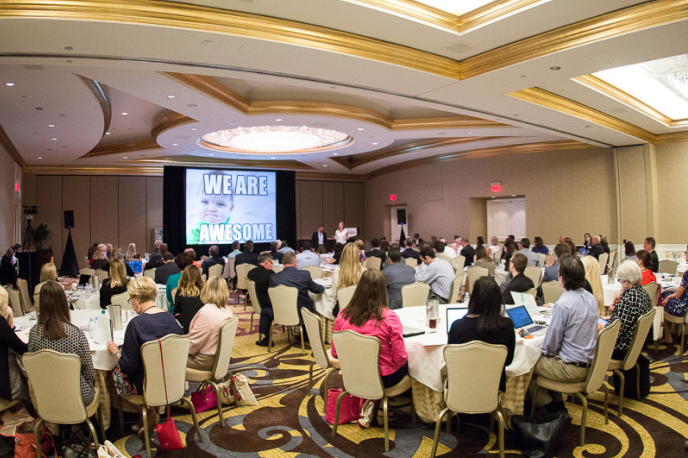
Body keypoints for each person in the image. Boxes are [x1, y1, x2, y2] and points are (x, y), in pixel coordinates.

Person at [528, 255, 598, 411]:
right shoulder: (590, 298)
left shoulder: (563, 304)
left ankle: (555, 409)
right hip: (590, 365)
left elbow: (550, 347)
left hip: (570, 369)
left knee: (527, 367)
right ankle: (556, 404)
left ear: (563, 279)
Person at [330, 269, 408, 389]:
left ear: (359, 288)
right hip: (383, 379)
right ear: (383, 291)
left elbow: (335, 353)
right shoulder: (390, 318)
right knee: (412, 365)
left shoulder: (342, 315)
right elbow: (399, 358)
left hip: (352, 374)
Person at [107, 277, 182, 397]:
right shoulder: (171, 319)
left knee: (116, 373)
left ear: (137, 298)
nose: (131, 302)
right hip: (172, 379)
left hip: (145, 384)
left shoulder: (136, 324)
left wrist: (116, 352)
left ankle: (139, 410)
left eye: (131, 299)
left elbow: (128, 366)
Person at [28, 281, 96, 405]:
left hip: (45, 395)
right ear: (63, 302)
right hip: (77, 397)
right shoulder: (75, 333)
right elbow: (89, 373)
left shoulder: (34, 333)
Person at [448, 277, 515, 392]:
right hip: (494, 387)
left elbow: (451, 362)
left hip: (461, 388)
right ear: (498, 300)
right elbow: (508, 361)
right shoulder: (506, 325)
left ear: (473, 298)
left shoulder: (457, 326)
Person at [604, 261, 652, 360]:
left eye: (620, 280)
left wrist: (602, 326)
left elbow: (614, 332)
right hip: (635, 345)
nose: (621, 283)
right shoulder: (643, 294)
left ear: (627, 281)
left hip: (622, 348)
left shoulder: (629, 300)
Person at [187, 277, 234, 371]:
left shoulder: (207, 312)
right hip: (219, 358)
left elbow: (193, 345)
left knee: (166, 357)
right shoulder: (227, 310)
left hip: (203, 360)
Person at [269, 252, 324, 316]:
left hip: (281, 312)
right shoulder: (304, 274)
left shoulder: (274, 278)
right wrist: (323, 288)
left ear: (283, 263)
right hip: (303, 313)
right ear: (295, 262)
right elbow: (316, 289)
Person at [187, 171, 235, 244]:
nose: (211, 209)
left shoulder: (234, 228)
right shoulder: (196, 229)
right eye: (205, 202)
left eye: (220, 204)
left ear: (231, 208)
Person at [0, 286, 28, 402]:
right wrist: (10, 320)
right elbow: (23, 349)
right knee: (24, 369)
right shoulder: (1, 325)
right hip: (4, 387)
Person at [660, 246, 688, 345]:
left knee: (662, 300)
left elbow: (678, 296)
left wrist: (667, 297)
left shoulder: (687, 273)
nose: (685, 255)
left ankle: (668, 335)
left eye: (686, 252)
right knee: (667, 295)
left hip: (683, 308)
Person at [248, 254, 275, 347]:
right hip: (267, 305)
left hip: (257, 303)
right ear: (267, 262)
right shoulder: (270, 274)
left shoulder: (250, 273)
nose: (271, 265)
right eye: (271, 263)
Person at [173, 265, 204, 333]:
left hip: (186, 327)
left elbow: (176, 311)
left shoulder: (180, 291)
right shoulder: (204, 291)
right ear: (199, 276)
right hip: (202, 326)